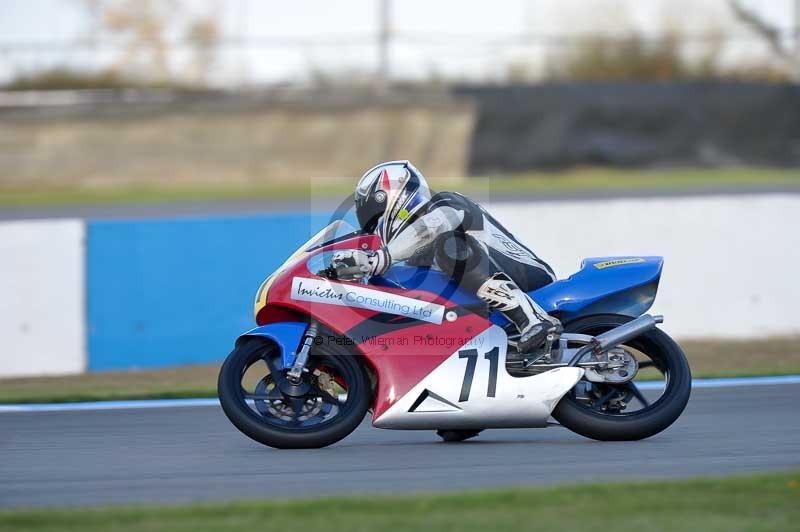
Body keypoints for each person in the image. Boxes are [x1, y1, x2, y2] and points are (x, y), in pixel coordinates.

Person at [330, 160, 561, 352]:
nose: (373, 225)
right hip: (485, 307)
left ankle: (533, 319)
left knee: (450, 246)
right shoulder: (412, 253)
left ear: (391, 196)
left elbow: (433, 226)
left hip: (530, 278)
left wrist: (380, 258)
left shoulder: (445, 202)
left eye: (373, 213)